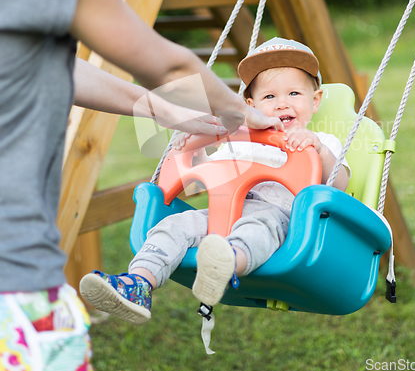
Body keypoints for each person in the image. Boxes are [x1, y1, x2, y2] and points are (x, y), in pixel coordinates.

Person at [0, 0, 282, 371]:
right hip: (13, 282)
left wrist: (159, 108)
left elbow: (49, 63)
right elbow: (170, 67)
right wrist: (244, 113)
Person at [79, 39, 351, 325]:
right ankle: (139, 283)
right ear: (251, 105)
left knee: (257, 228)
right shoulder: (238, 141)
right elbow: (204, 176)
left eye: (294, 93)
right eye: (269, 97)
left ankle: (225, 264)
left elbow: (338, 185)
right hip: (222, 214)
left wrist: (319, 151)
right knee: (174, 225)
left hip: (282, 219)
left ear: (315, 100)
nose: (282, 103)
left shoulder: (320, 143)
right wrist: (192, 149)